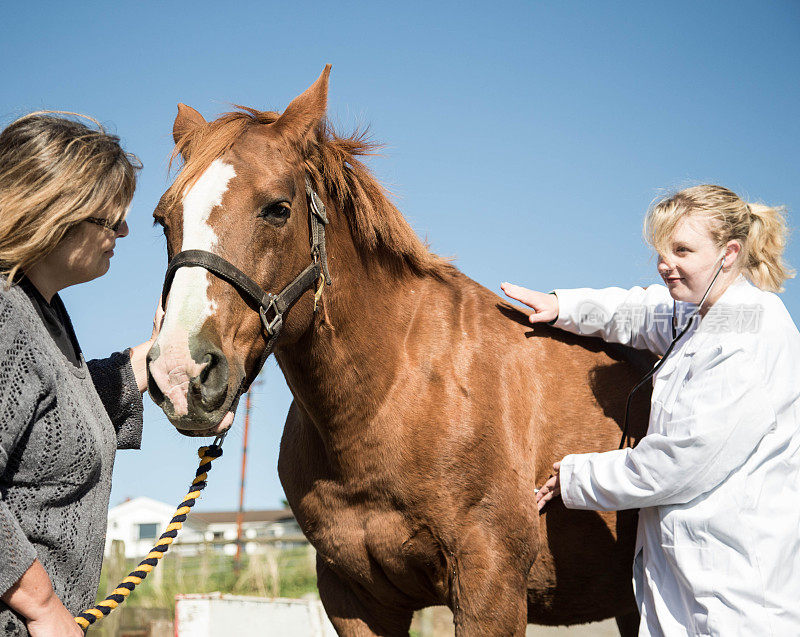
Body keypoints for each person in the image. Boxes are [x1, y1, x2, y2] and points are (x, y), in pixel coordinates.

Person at [501, 184, 800, 636]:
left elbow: (681, 461)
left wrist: (578, 477)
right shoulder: (704, 315)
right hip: (686, 583)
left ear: (729, 252)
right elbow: (640, 311)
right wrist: (565, 305)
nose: (666, 262)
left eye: (682, 249)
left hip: (735, 598)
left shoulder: (751, 335)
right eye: (662, 250)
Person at [0, 112, 160, 637]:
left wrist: (158, 360)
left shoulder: (39, 312)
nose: (123, 231)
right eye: (109, 220)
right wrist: (43, 608)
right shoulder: (4, 315)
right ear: (56, 212)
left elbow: (56, 410)